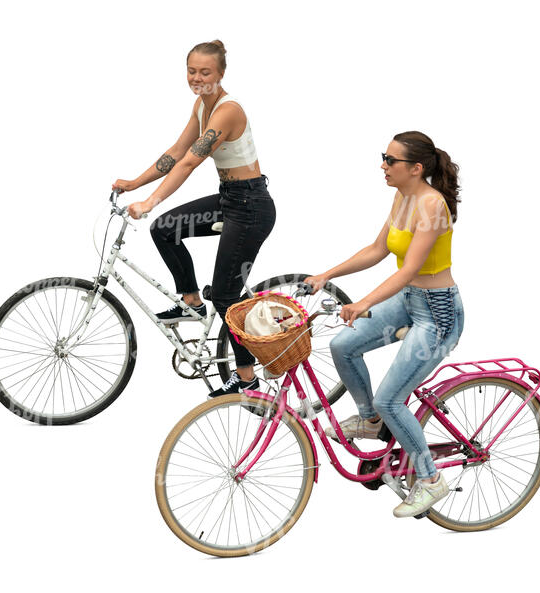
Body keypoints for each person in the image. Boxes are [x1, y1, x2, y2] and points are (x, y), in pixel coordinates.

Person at [304, 131, 464, 518]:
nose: (383, 165)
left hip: (439, 314)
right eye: (384, 157)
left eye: (390, 160)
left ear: (416, 168)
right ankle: (373, 421)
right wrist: (327, 273)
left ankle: (430, 480)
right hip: (409, 302)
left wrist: (363, 303)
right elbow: (378, 250)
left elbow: (410, 268)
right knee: (343, 346)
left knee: (391, 398)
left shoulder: (432, 205)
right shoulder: (403, 197)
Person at [112, 40, 276, 398]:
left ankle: (246, 376)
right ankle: (190, 300)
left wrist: (151, 200)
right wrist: (134, 183)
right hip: (229, 199)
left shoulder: (227, 110)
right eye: (192, 71)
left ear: (220, 74)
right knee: (165, 229)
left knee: (226, 294)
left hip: (251, 206)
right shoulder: (202, 105)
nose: (197, 78)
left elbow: (191, 161)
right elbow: (176, 151)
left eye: (206, 72)